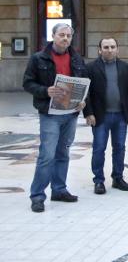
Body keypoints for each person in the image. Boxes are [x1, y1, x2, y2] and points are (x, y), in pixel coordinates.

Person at [23, 23, 87, 213]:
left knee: (63, 153)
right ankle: (37, 195)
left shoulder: (76, 58)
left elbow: (82, 83)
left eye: (68, 35)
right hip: (50, 114)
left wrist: (82, 101)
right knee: (47, 155)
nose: (65, 38)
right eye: (61, 35)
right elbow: (27, 83)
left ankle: (59, 189)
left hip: (71, 113)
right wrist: (45, 91)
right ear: (53, 36)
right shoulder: (38, 58)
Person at [84, 37, 128, 194]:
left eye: (112, 47)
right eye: (106, 47)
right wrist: (88, 113)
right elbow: (86, 93)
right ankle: (99, 180)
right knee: (99, 148)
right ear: (100, 50)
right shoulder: (91, 67)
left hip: (121, 116)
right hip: (100, 116)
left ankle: (118, 178)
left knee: (120, 148)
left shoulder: (125, 67)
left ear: (117, 49)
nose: (109, 50)